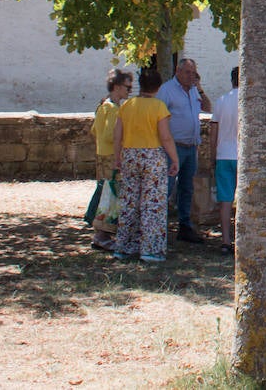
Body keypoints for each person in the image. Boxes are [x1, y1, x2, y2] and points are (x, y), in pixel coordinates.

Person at [112, 67, 180, 263]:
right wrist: (174, 159)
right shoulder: (159, 107)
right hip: (152, 156)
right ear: (158, 87)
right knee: (153, 204)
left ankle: (124, 247)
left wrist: (118, 156)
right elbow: (165, 137)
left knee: (129, 202)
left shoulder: (126, 106)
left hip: (130, 154)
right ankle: (150, 249)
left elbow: (117, 135)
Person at [156, 57, 211, 244]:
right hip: (173, 147)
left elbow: (208, 108)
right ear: (178, 72)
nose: (191, 76)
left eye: (193, 73)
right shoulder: (167, 90)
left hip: (191, 147)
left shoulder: (194, 90)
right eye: (187, 72)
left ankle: (184, 226)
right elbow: (158, 117)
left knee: (187, 188)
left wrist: (200, 87)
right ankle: (158, 227)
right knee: (167, 186)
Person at [88, 69, 130, 251]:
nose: (129, 91)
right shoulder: (112, 109)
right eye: (127, 87)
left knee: (106, 193)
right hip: (111, 157)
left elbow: (94, 131)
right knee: (110, 196)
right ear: (118, 87)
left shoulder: (104, 105)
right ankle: (101, 234)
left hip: (103, 155)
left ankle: (102, 233)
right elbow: (108, 134)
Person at [209, 67, 239, 255]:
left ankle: (226, 240)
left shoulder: (221, 101)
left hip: (223, 154)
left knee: (225, 200)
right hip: (243, 156)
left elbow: (214, 133)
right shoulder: (249, 102)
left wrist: (213, 155)